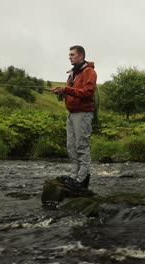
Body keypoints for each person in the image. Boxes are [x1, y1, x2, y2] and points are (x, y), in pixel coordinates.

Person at [52, 45, 97, 191]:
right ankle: (75, 176)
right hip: (71, 114)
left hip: (83, 114)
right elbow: (73, 92)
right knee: (71, 147)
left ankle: (82, 180)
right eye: (69, 55)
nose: (69, 57)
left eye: (72, 54)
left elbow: (87, 92)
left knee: (81, 146)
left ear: (81, 56)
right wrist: (62, 92)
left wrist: (67, 89)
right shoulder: (72, 73)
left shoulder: (89, 71)